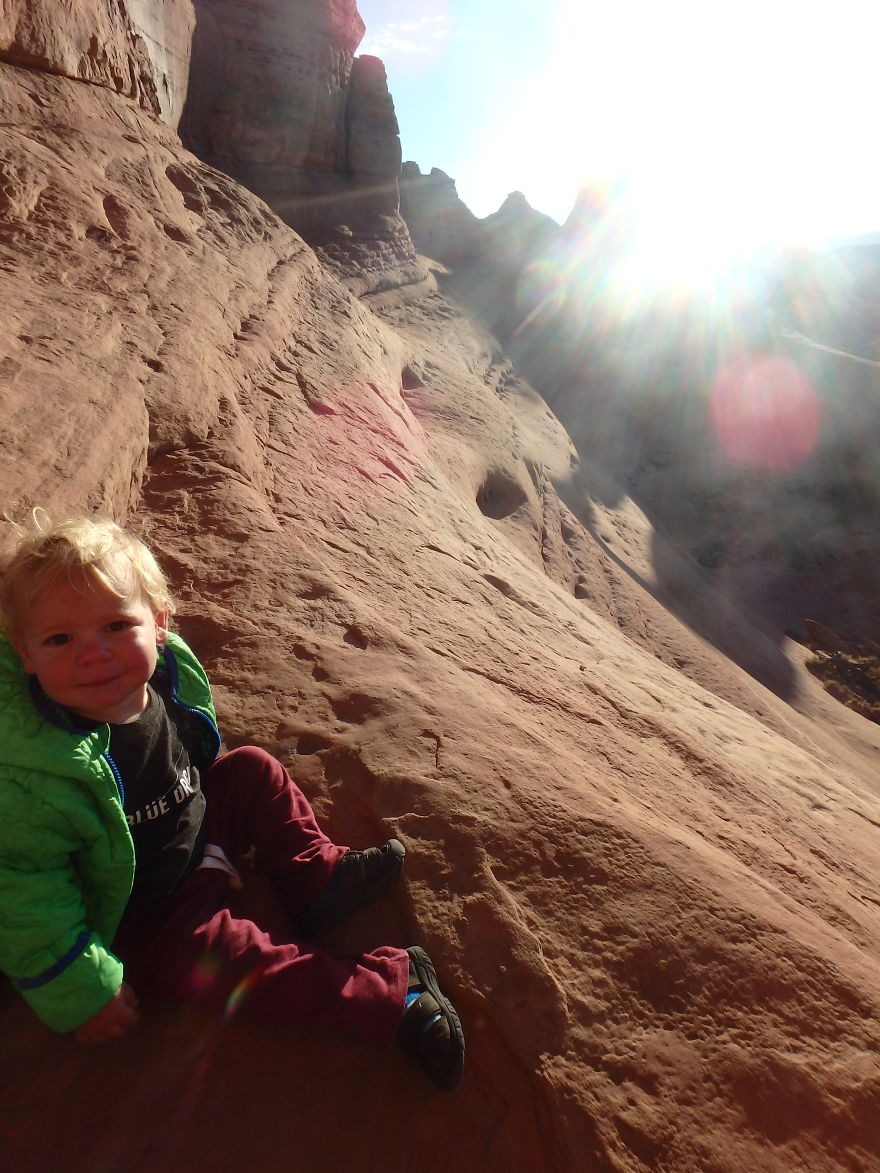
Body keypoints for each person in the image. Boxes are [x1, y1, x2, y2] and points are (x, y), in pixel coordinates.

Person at [0, 512, 464, 1091]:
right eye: (60, 639)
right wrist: (81, 990)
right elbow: (23, 891)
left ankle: (316, 881)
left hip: (195, 819)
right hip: (147, 906)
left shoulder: (163, 676)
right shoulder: (32, 773)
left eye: (117, 626)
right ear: (25, 655)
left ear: (160, 625)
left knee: (251, 769)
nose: (92, 653)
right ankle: (392, 995)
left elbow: (191, 751)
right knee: (234, 962)